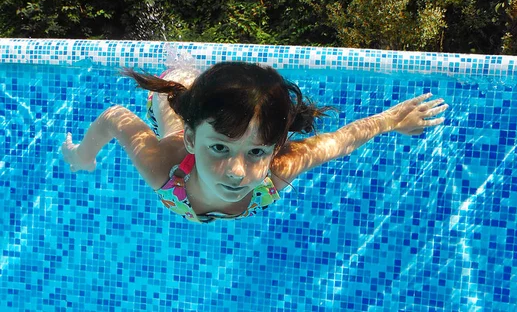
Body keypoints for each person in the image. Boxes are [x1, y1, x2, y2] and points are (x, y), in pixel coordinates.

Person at [61, 61, 448, 223]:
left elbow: (341, 140)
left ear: (275, 149)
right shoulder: (163, 164)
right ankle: (188, 79)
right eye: (219, 149)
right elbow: (115, 116)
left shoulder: (277, 167)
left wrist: (393, 122)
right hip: (172, 107)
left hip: (212, 119)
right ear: (196, 141)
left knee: (233, 111)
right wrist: (82, 155)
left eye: (257, 152)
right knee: (177, 87)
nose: (237, 171)